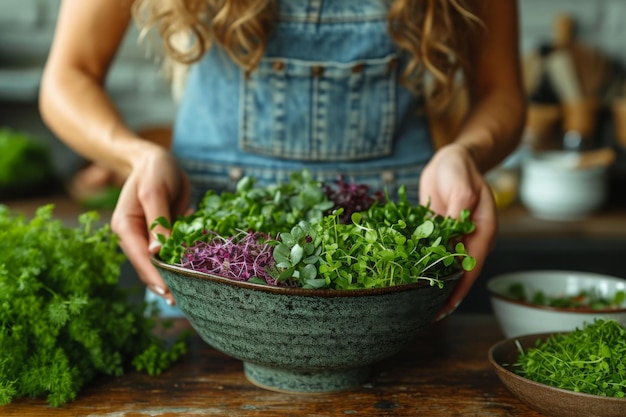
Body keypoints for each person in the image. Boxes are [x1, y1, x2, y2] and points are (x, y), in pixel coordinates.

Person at [39, 0, 526, 319]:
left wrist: (465, 152)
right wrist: (137, 156)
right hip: (205, 260)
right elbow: (69, 75)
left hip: (395, 276)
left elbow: (500, 91)